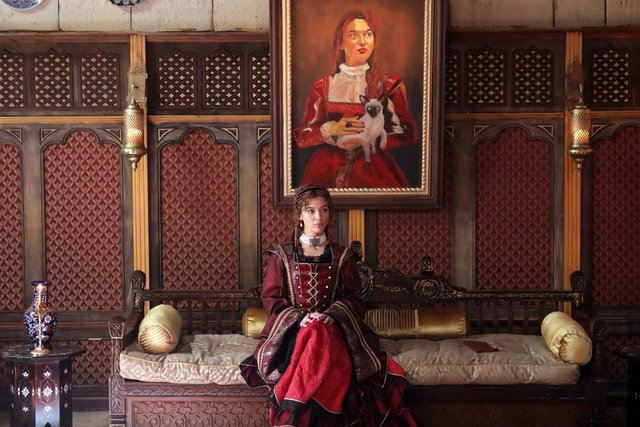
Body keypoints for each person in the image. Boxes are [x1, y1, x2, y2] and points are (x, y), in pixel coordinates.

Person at [240, 184, 417, 426]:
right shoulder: (281, 256)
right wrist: (300, 318)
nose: (318, 217)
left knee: (319, 330)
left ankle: (293, 415)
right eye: (311, 211)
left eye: (324, 210)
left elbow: (355, 299)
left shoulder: (343, 256)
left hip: (336, 330)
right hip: (293, 333)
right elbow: (272, 299)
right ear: (299, 215)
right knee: (313, 331)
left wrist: (332, 315)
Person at [293, 9, 418, 189]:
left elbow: (409, 134)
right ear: (341, 43)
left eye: (368, 34)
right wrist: (332, 130)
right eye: (353, 35)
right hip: (325, 171)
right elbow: (303, 136)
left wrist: (371, 137)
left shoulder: (390, 85)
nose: (362, 41)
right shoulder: (322, 87)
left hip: (374, 171)